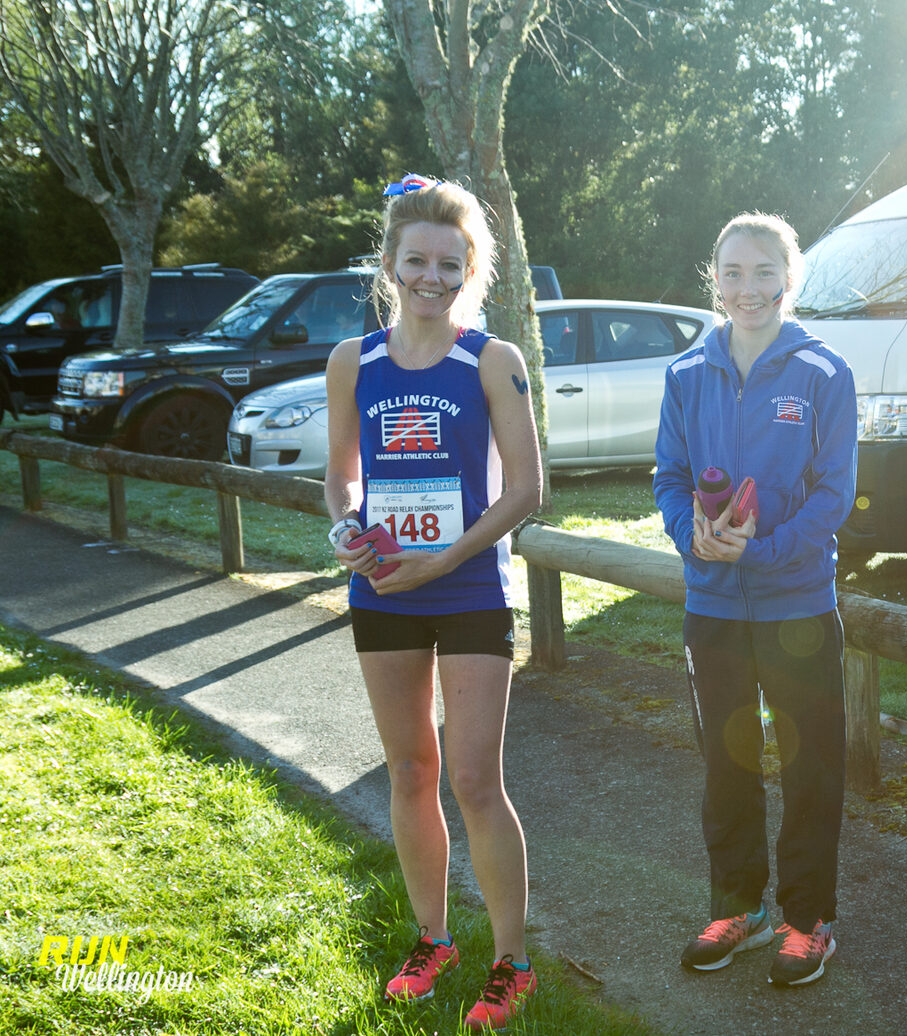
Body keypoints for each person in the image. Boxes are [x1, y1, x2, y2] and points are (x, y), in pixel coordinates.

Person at [324, 175, 544, 1031]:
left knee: (475, 779)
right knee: (411, 771)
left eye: (450, 264)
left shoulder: (492, 360)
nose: (431, 277)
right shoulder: (353, 362)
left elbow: (527, 490)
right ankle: (433, 940)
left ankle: (512, 962)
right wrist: (348, 530)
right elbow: (342, 478)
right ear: (390, 264)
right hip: (384, 589)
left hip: (471, 587)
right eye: (416, 260)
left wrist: (444, 560)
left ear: (470, 270)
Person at [653, 212, 857, 988]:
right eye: (733, 272)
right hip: (712, 606)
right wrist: (693, 539)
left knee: (811, 769)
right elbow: (669, 476)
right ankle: (739, 908)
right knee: (726, 765)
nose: (748, 288)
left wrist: (763, 552)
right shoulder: (686, 373)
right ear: (715, 278)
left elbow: (834, 495)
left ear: (789, 279)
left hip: (797, 606)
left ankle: (809, 922)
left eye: (764, 272)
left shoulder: (824, 372)